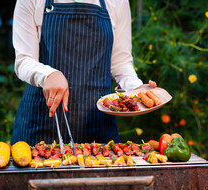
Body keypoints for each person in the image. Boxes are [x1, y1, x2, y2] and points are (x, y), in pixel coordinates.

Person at [10, 0, 156, 146]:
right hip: (40, 125)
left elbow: (121, 63)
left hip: (98, 127)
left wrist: (135, 88)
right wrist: (48, 75)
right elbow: (23, 60)